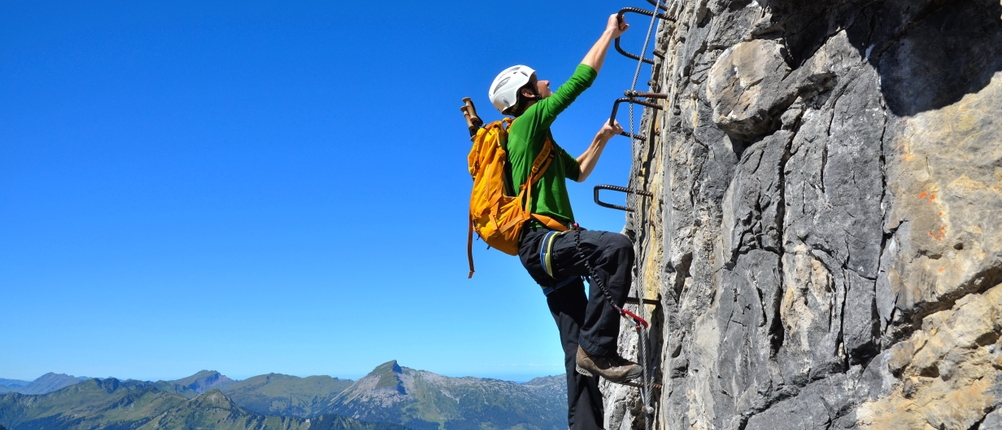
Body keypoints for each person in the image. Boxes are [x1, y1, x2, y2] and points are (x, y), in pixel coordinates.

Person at [487, 13, 638, 429]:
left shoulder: (540, 143)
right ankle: (600, 347)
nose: (546, 81)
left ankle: (588, 403)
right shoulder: (526, 123)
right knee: (615, 247)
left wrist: (601, 138)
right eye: (538, 79)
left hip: (546, 256)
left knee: (577, 361)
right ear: (526, 93)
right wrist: (609, 34)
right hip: (542, 244)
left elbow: (580, 172)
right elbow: (579, 83)